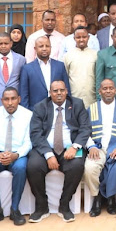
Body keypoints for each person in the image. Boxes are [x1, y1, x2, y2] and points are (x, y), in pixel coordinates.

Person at [26, 80, 91, 223]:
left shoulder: (77, 104)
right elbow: (36, 133)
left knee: (77, 165)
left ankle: (64, 204)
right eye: (55, 91)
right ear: (50, 93)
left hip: (70, 147)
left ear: (66, 91)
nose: (59, 93)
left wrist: (75, 147)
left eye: (62, 90)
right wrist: (48, 155)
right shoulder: (40, 107)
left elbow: (85, 128)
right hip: (46, 148)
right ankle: (42, 206)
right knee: (33, 166)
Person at [84, 79, 116, 217]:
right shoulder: (92, 108)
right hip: (98, 149)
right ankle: (97, 197)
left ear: (115, 90)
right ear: (99, 91)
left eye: (111, 88)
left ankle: (111, 197)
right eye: (105, 88)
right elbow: (83, 131)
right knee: (90, 168)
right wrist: (91, 147)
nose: (108, 91)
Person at [0, 86, 33, 228]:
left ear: (19, 99)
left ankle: (15, 209)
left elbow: (28, 142)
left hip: (17, 154)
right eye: (6, 99)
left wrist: (16, 155)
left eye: (13, 99)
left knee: (21, 168)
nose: (10, 103)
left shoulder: (28, 115)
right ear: (1, 100)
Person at [19, 36, 70, 109]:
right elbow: (24, 94)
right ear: (35, 49)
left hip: (58, 111)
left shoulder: (60, 66)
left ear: (51, 48)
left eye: (47, 46)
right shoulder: (27, 69)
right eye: (41, 46)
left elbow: (66, 89)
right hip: (35, 112)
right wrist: (27, 113)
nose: (44, 48)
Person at [63, 26, 98, 107]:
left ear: (88, 37)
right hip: (73, 100)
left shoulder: (96, 55)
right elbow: (65, 77)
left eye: (84, 37)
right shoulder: (67, 56)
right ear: (74, 38)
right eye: (78, 37)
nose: (81, 39)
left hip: (92, 100)